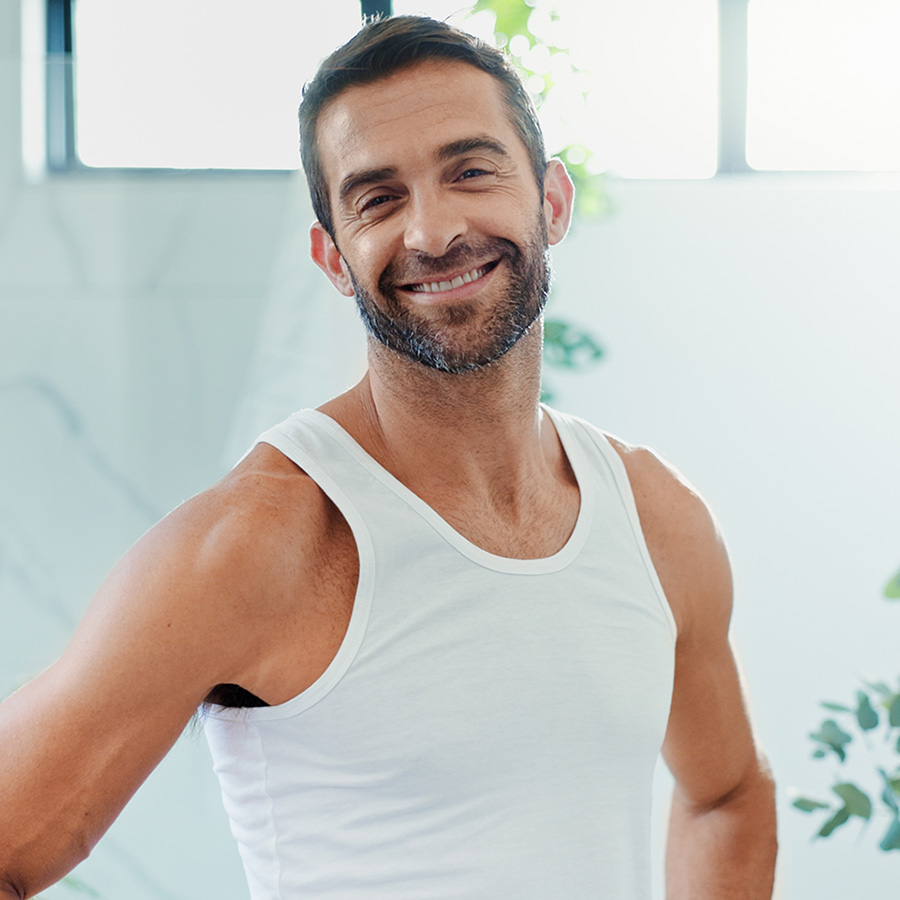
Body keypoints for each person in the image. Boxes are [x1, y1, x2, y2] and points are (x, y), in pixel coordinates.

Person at [0, 15, 776, 900]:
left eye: (470, 171)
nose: (433, 230)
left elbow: (728, 797)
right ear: (332, 257)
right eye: (378, 198)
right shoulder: (255, 542)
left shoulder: (655, 517)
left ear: (550, 202)